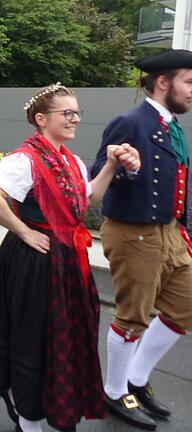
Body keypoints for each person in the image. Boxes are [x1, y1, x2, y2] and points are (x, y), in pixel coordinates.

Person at [0, 83, 140, 432]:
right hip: (34, 261)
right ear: (42, 119)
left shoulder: (72, 160)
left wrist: (110, 164)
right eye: (68, 113)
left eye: (77, 113)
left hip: (68, 259)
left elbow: (87, 199)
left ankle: (48, 405)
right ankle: (28, 418)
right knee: (33, 338)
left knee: (63, 337)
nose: (75, 119)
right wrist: (24, 231)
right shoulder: (23, 159)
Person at [93, 49, 192, 431]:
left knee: (184, 307)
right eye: (188, 82)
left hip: (170, 232)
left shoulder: (172, 126)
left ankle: (136, 378)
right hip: (134, 232)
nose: (191, 91)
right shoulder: (130, 122)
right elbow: (101, 169)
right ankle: (115, 391)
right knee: (133, 316)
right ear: (163, 82)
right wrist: (124, 164)